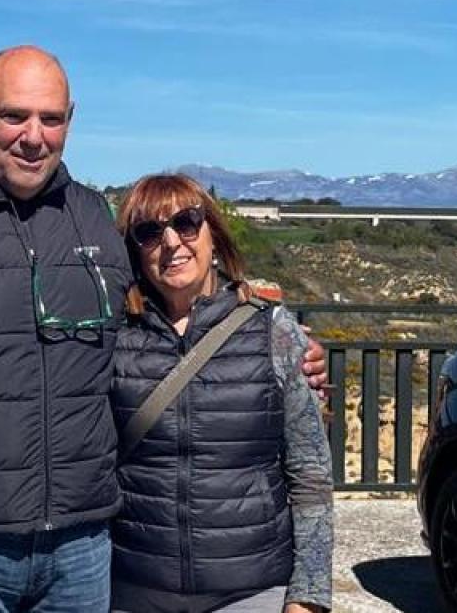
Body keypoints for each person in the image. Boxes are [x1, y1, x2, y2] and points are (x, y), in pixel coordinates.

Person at [0, 47, 327, 613]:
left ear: (69, 121)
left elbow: (170, 292)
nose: (33, 136)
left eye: (51, 119)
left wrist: (284, 345)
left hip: (82, 549)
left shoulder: (95, 219)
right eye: (14, 116)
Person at [110, 174, 333, 613]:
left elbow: (310, 476)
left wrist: (307, 598)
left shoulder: (273, 329)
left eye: (187, 223)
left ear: (214, 231)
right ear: (135, 250)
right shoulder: (113, 336)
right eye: (149, 232)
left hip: (252, 590)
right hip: (133, 588)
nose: (171, 242)